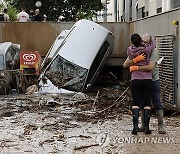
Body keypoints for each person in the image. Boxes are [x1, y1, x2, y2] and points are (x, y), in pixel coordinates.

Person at [123, 34, 166, 134]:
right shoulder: (139, 49)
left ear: (150, 42)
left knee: (156, 102)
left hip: (153, 79)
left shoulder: (152, 51)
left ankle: (161, 125)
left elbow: (150, 67)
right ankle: (143, 125)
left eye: (146, 42)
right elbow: (125, 64)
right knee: (143, 103)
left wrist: (136, 67)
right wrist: (135, 59)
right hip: (144, 80)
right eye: (143, 41)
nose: (144, 44)